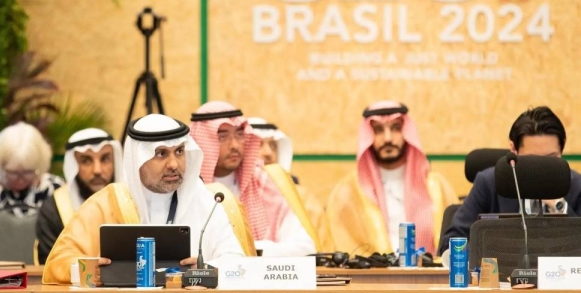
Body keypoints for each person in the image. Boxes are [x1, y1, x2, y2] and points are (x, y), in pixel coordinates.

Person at [43, 114, 247, 284]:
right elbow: (59, 262)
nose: (174, 164)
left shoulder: (207, 203)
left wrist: (208, 271)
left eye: (179, 151)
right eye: (161, 154)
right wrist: (90, 272)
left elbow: (239, 266)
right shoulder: (106, 204)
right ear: (138, 159)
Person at [438, 106, 581, 254]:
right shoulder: (488, 183)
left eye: (551, 158)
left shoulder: (576, 185)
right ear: (513, 149)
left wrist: (559, 206)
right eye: (532, 159)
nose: (541, 167)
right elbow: (451, 244)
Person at [326, 101, 458, 255]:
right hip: (370, 277)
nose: (388, 138)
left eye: (396, 128)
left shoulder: (436, 187)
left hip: (428, 276)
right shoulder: (348, 192)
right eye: (378, 130)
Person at [190, 101, 318, 256]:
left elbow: (305, 245)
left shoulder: (263, 183)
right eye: (223, 137)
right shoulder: (188, 190)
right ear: (203, 140)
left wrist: (248, 250)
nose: (235, 145)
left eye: (239, 135)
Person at [36, 128, 124, 264]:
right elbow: (51, 265)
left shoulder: (130, 201)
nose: (97, 170)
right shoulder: (54, 209)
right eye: (86, 161)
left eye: (105, 159)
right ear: (74, 165)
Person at [248, 117, 334, 251]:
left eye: (273, 146)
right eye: (259, 145)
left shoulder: (301, 196)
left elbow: (316, 247)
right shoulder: (233, 194)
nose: (268, 153)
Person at [0, 122, 64, 224]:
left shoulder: (55, 188)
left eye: (28, 172)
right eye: (13, 173)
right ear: (0, 166)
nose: (21, 179)